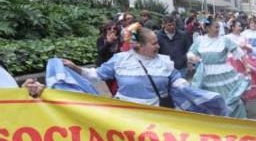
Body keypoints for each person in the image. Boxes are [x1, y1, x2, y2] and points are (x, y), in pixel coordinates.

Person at [63, 26, 227, 115]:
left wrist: (189, 88)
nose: (158, 46)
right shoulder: (120, 60)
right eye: (154, 43)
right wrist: (74, 67)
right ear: (138, 45)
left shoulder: (164, 62)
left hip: (157, 116)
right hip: (126, 117)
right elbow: (95, 75)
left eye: (157, 42)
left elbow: (176, 80)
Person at [187, 17, 250, 118]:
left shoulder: (224, 40)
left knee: (230, 100)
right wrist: (195, 58)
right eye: (216, 27)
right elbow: (190, 54)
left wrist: (247, 66)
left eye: (219, 27)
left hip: (223, 74)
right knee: (210, 103)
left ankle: (236, 124)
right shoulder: (200, 40)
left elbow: (239, 52)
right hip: (205, 76)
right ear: (208, 28)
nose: (218, 29)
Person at [226, 21, 256, 101]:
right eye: (238, 26)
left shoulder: (243, 37)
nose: (240, 28)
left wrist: (245, 47)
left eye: (240, 26)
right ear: (233, 27)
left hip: (244, 61)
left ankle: (242, 99)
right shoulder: (227, 37)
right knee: (233, 81)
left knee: (244, 80)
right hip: (232, 61)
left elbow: (250, 48)